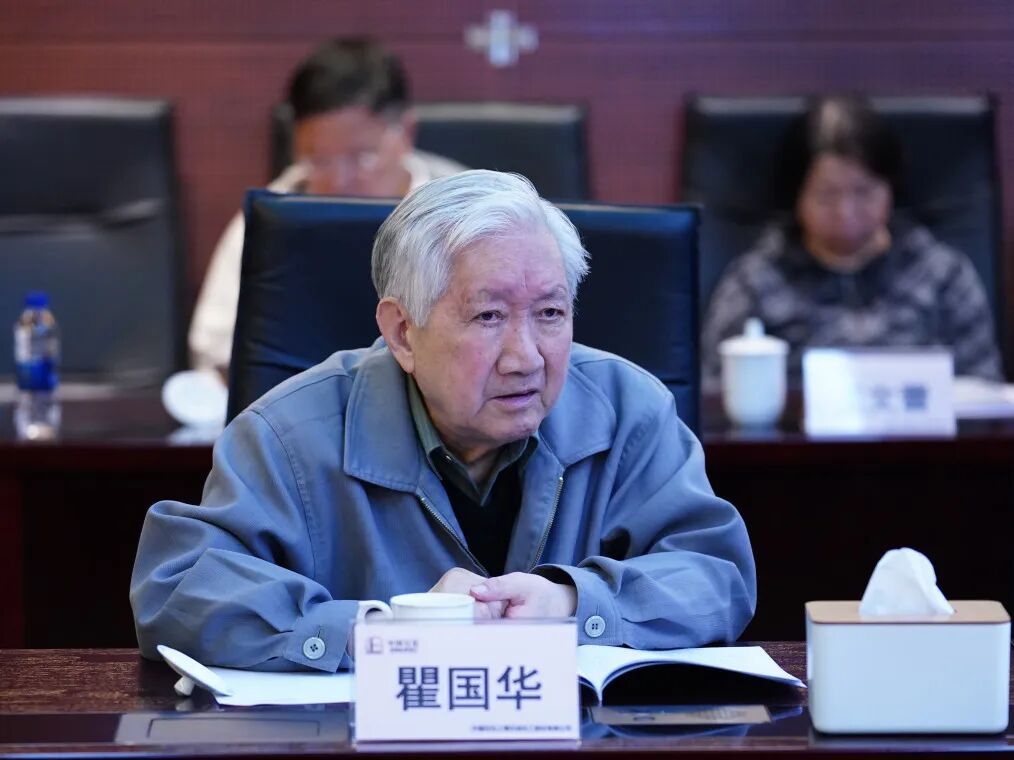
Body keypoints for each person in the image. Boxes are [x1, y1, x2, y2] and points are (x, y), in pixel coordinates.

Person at [131, 170, 757, 671]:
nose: (526, 357)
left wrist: (574, 602)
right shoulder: (287, 436)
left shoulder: (630, 411)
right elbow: (177, 589)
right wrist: (383, 632)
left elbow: (715, 574)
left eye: (550, 313)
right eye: (488, 317)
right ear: (403, 332)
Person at [189, 37, 467, 372]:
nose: (338, 182)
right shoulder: (275, 215)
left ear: (406, 132)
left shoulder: (464, 208)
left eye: (361, 157)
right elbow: (214, 347)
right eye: (318, 161)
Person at [701, 96, 1003, 386]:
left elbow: (984, 389)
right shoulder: (754, 283)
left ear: (891, 188)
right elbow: (715, 392)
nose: (846, 213)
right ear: (797, 195)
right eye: (827, 195)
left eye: (863, 192)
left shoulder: (943, 277)